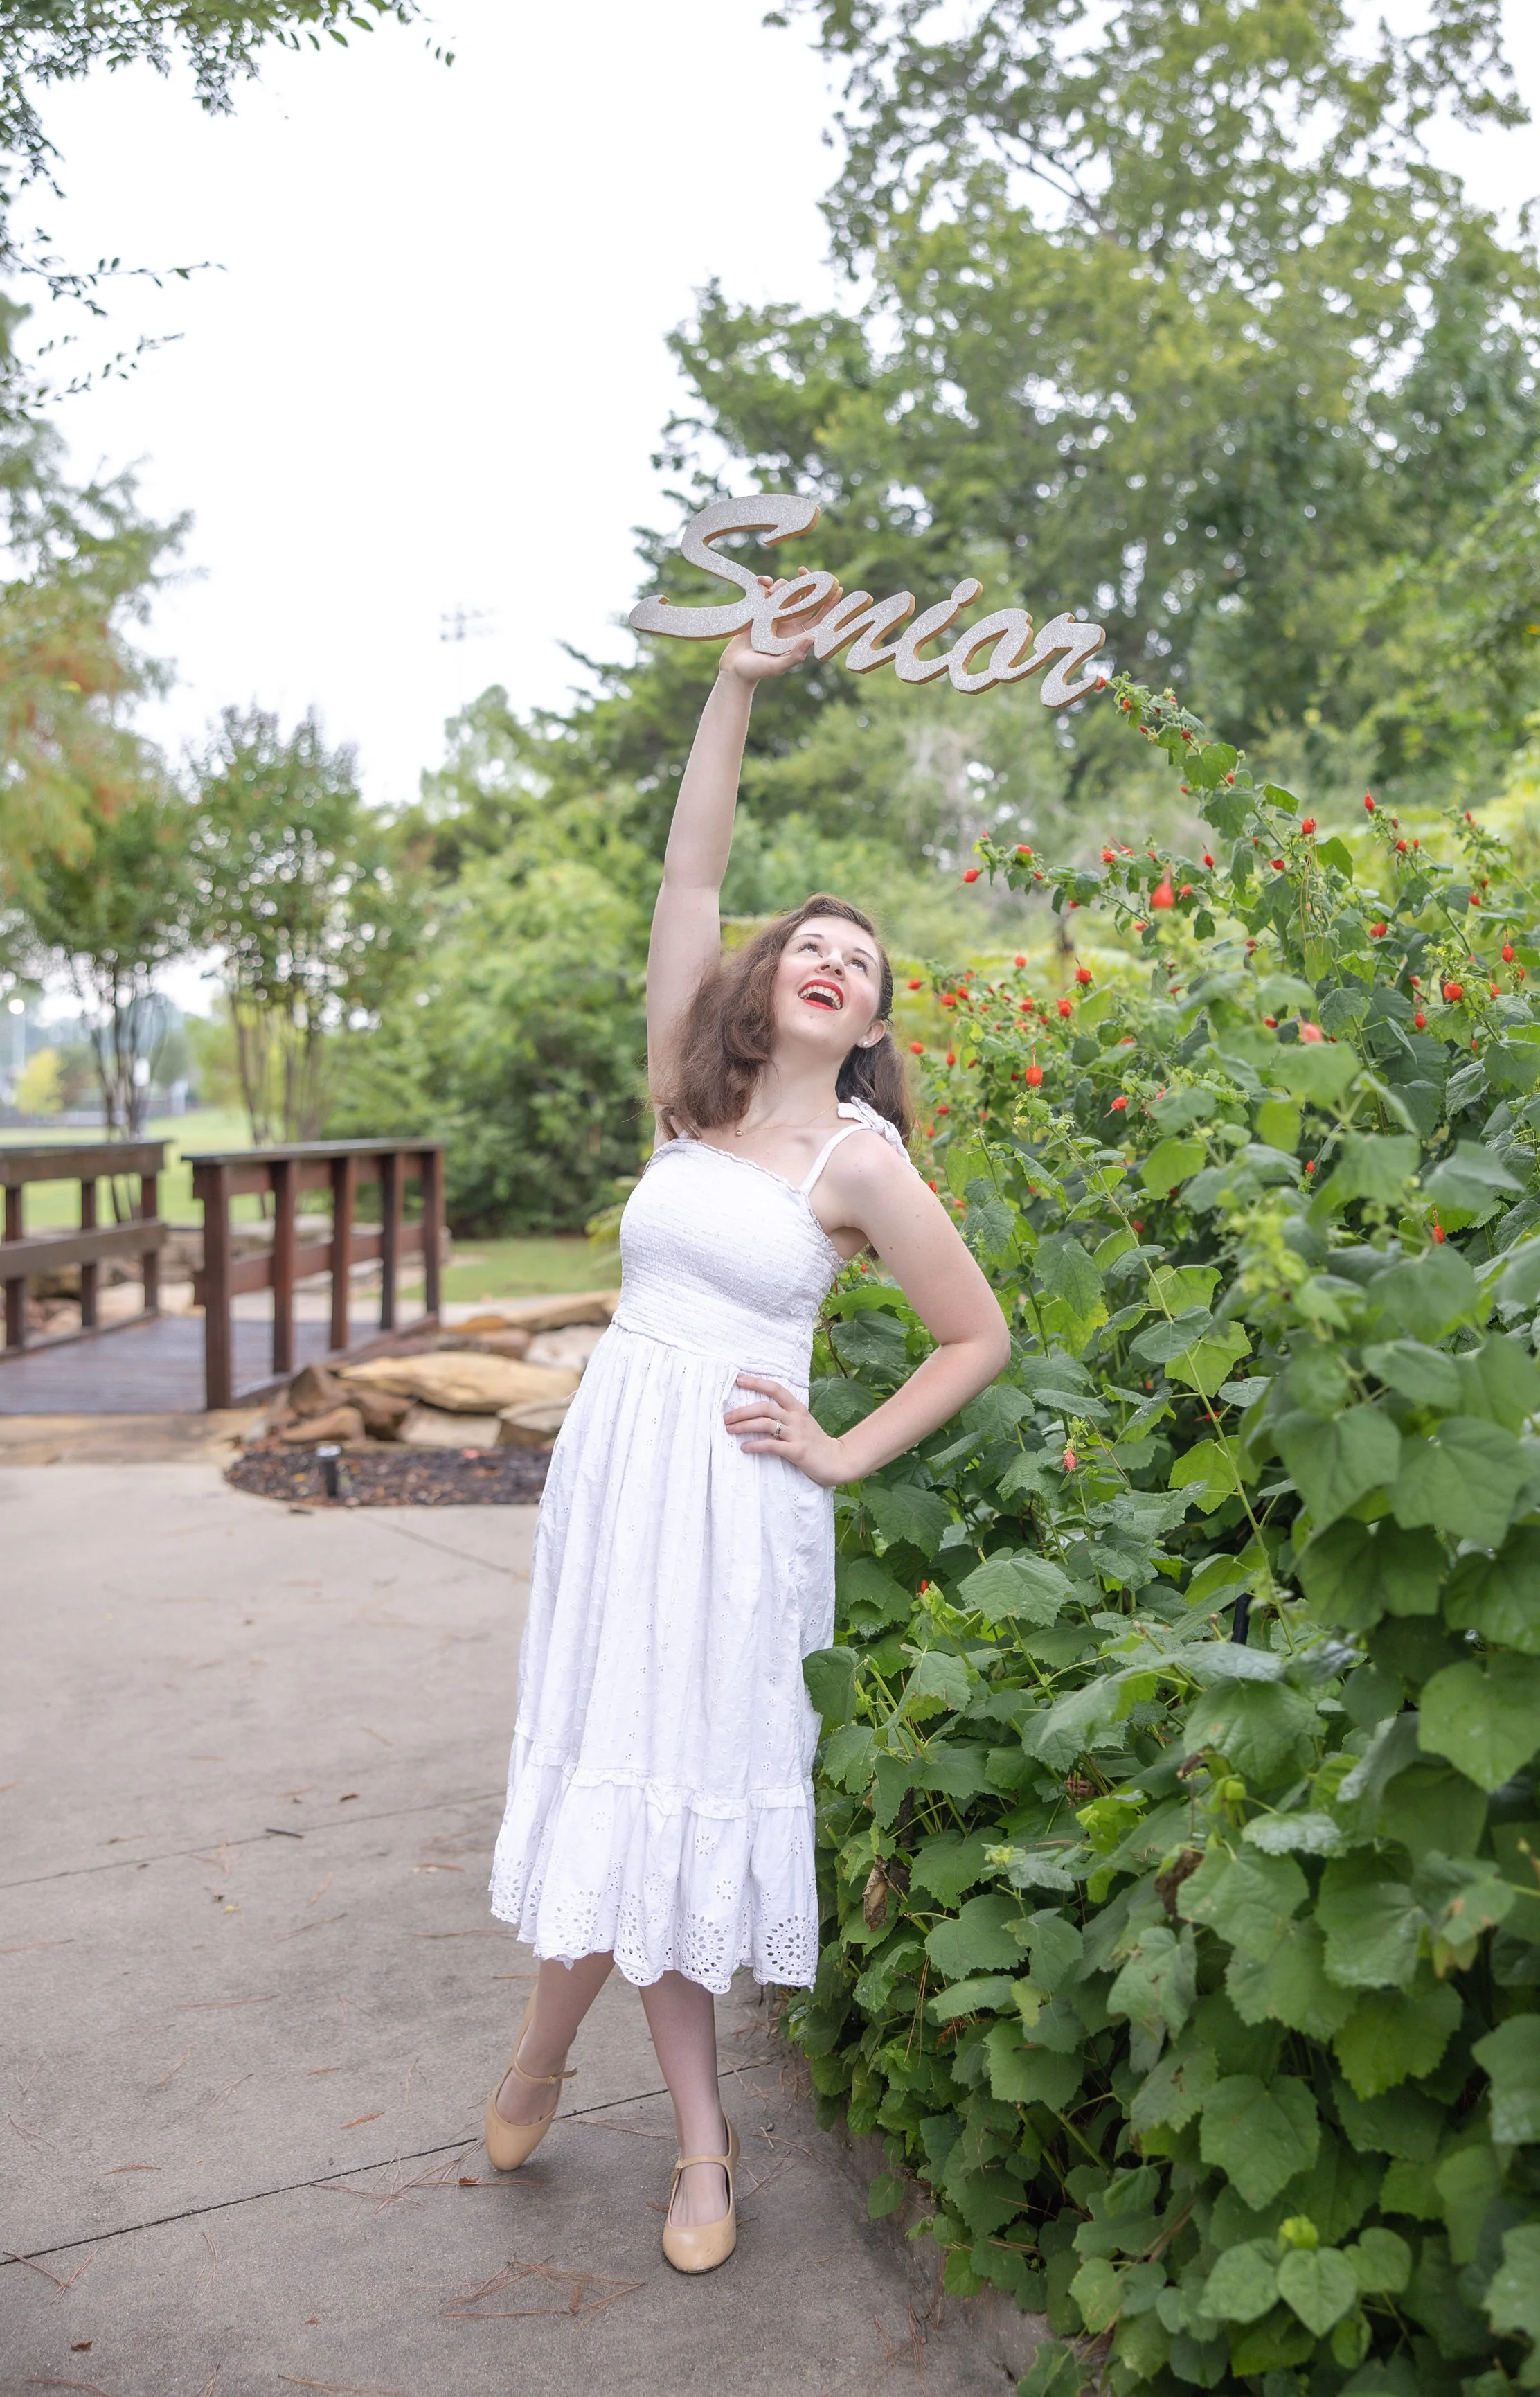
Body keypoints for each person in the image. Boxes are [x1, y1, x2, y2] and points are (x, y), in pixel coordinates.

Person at [484, 585, 1012, 2274]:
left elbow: (973, 1334)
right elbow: (690, 879)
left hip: (735, 1500)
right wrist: (732, 687)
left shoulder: (857, 1162)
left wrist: (846, 1452)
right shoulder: (688, 1092)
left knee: (679, 1792)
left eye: (860, 966)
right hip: (616, 1479)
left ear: (869, 1023)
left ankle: (694, 2151)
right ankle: (549, 2056)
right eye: (813, 944)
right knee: (614, 1793)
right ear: (771, 978)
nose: (829, 964)